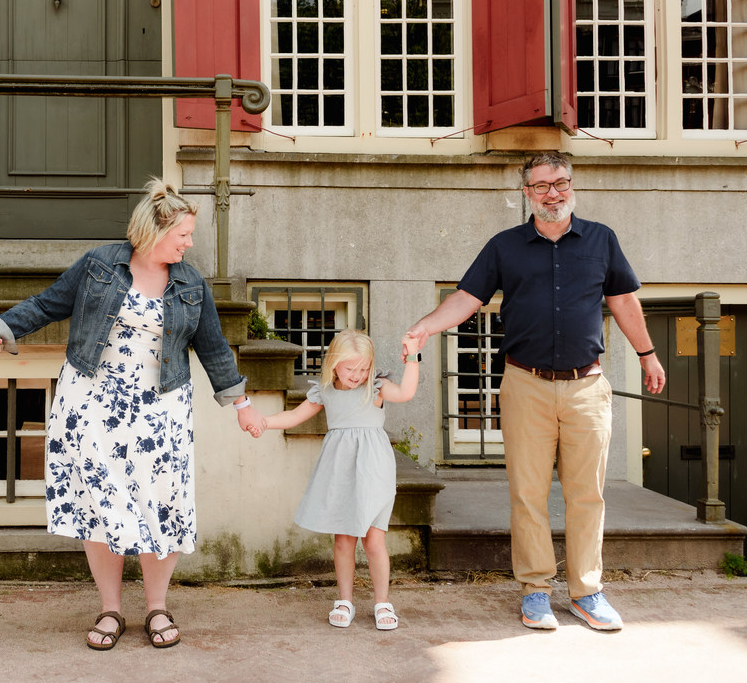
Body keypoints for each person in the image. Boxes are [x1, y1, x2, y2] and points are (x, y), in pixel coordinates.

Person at [0, 178, 264, 650]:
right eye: (183, 235)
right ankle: (110, 609)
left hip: (161, 408)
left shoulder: (190, 282)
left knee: (161, 504)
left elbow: (213, 348)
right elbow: (49, 304)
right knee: (99, 504)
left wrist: (242, 404)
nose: (189, 243)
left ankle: (156, 607)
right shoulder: (99, 265)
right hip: (92, 402)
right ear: (153, 230)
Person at [403, 151, 666, 632]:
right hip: (525, 384)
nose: (553, 192)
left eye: (561, 182)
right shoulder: (505, 246)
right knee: (528, 494)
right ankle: (536, 591)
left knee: (588, 495)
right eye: (542, 185)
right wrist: (425, 328)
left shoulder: (601, 240)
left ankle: (588, 591)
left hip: (587, 385)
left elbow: (624, 300)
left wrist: (648, 354)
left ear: (572, 184)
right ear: (526, 192)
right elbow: (467, 298)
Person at [254, 329, 420, 630]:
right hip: (340, 470)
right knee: (344, 539)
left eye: (364, 368)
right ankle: (345, 600)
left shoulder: (377, 388)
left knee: (374, 539)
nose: (357, 375)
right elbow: (293, 416)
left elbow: (407, 393)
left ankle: (382, 602)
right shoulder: (325, 392)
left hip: (374, 470)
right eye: (350, 368)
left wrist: (413, 358)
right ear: (334, 364)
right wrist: (264, 422)